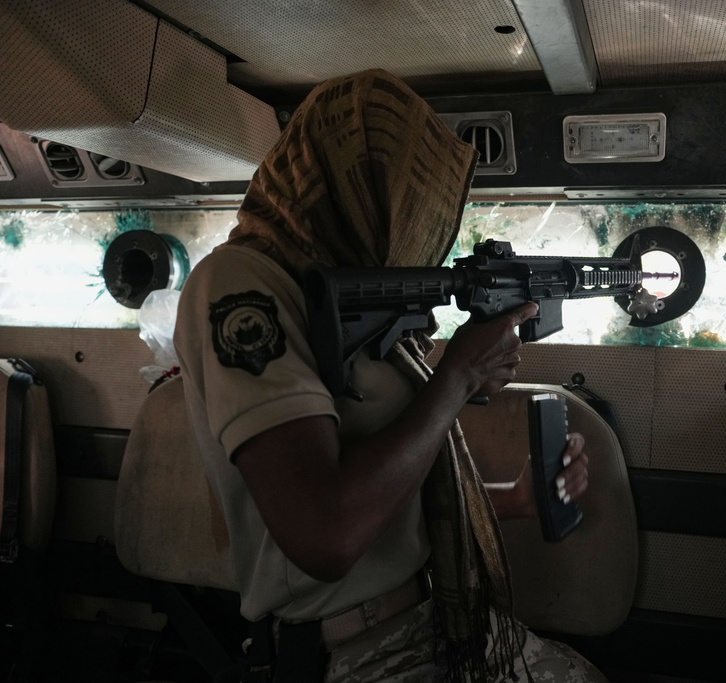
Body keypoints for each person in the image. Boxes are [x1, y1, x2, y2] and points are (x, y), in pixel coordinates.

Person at [173, 69, 607, 682]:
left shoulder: (359, 291)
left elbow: (390, 469)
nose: (418, 223)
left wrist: (514, 499)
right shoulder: (242, 286)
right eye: (404, 195)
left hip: (432, 623)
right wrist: (455, 377)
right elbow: (327, 535)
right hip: (355, 653)